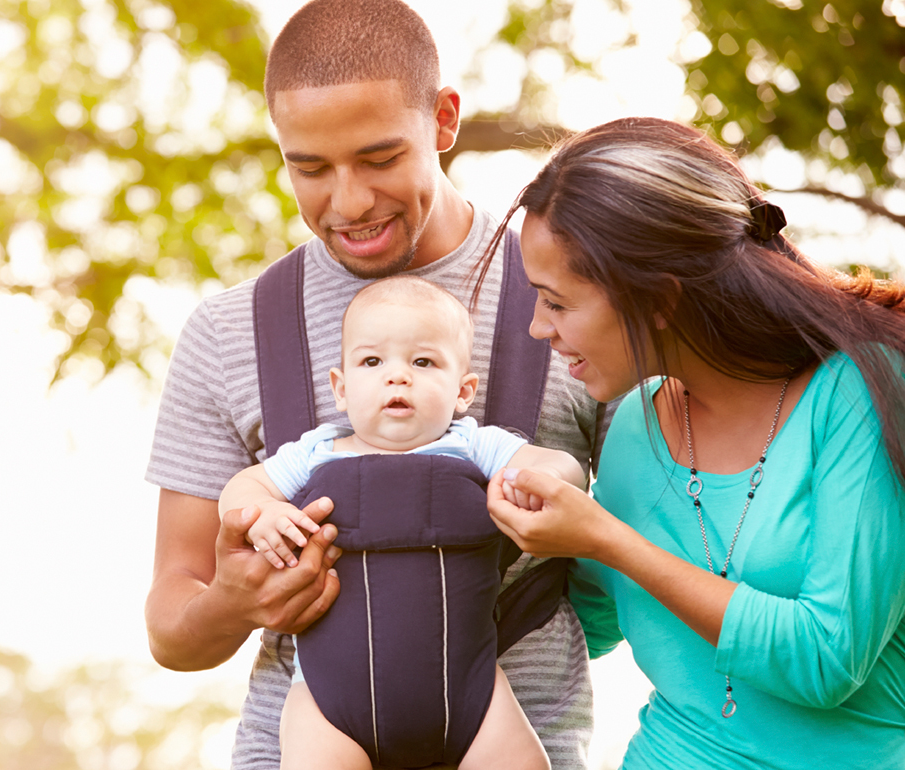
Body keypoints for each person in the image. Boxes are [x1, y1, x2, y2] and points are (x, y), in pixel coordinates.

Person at [143, 2, 612, 768]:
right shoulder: (228, 334)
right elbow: (170, 623)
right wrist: (235, 601)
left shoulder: (571, 297)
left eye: (379, 156)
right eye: (311, 167)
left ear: (445, 121)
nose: (350, 201)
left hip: (520, 736)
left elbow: (647, 546)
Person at [479, 116, 905, 769]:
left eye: (557, 302)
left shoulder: (860, 389)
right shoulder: (633, 428)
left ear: (658, 300)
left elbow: (827, 659)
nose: (538, 328)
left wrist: (607, 539)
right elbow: (584, 626)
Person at [220, 276, 585, 770]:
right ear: (341, 389)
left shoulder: (475, 444)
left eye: (423, 362)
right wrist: (265, 512)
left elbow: (561, 466)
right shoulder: (315, 452)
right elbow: (242, 489)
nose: (398, 377)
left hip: (473, 698)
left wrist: (536, 480)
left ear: (463, 391)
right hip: (329, 704)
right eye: (373, 362)